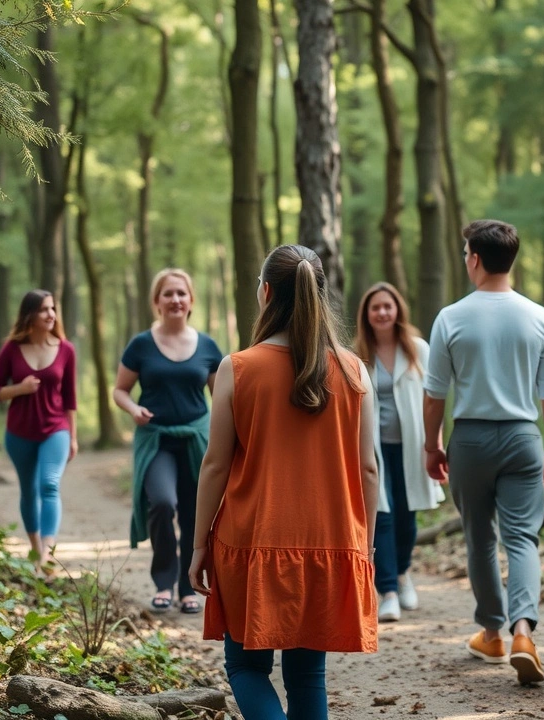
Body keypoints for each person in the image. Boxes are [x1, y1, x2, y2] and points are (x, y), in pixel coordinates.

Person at [189, 245, 378, 719]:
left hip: (251, 541)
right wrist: (365, 549)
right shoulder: (355, 370)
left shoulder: (238, 367)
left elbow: (214, 464)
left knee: (247, 669)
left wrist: (197, 547)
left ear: (267, 291)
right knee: (307, 676)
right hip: (329, 543)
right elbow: (369, 468)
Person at [423, 219, 544, 686]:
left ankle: (491, 633)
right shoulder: (539, 317)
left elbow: (434, 395)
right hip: (524, 437)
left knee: (480, 537)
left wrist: (431, 445)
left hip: (470, 439)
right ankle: (523, 632)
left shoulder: (451, 317)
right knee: (522, 538)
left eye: (466, 253)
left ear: (476, 258)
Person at [114, 269, 223, 615]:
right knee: (162, 503)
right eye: (168, 294)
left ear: (191, 300)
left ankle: (187, 588)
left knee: (195, 513)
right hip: (156, 439)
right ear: (157, 301)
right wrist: (133, 409)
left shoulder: (207, 346)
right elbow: (119, 390)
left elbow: (221, 398)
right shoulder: (141, 345)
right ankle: (163, 582)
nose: (175, 299)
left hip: (196, 440)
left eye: (181, 293)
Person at [354, 282, 445, 623]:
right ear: (367, 314)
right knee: (383, 516)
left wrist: (435, 442)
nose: (382, 313)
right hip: (372, 448)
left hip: (411, 446)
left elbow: (435, 397)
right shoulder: (358, 354)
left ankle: (404, 572)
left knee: (407, 517)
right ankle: (388, 590)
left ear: (397, 311)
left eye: (387, 307)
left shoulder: (419, 350)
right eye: (375, 307)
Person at [0, 289, 78, 572]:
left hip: (56, 430)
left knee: (49, 484)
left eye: (52, 309)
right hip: (19, 433)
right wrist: (20, 389)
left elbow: (70, 399)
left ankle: (47, 554)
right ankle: (36, 549)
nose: (51, 315)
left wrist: (73, 437)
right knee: (29, 491)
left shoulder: (66, 349)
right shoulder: (11, 349)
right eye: (43, 310)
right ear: (29, 315)